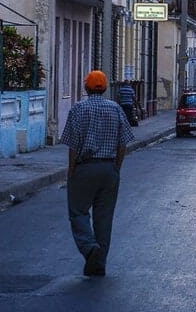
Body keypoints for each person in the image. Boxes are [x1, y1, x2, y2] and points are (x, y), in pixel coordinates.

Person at [61, 70, 135, 276]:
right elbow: (123, 143)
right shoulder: (116, 109)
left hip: (84, 167)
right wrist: (116, 168)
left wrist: (71, 169)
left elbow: (73, 145)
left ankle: (89, 247)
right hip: (109, 168)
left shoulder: (78, 109)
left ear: (86, 87)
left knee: (78, 212)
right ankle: (99, 262)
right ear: (105, 88)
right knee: (104, 218)